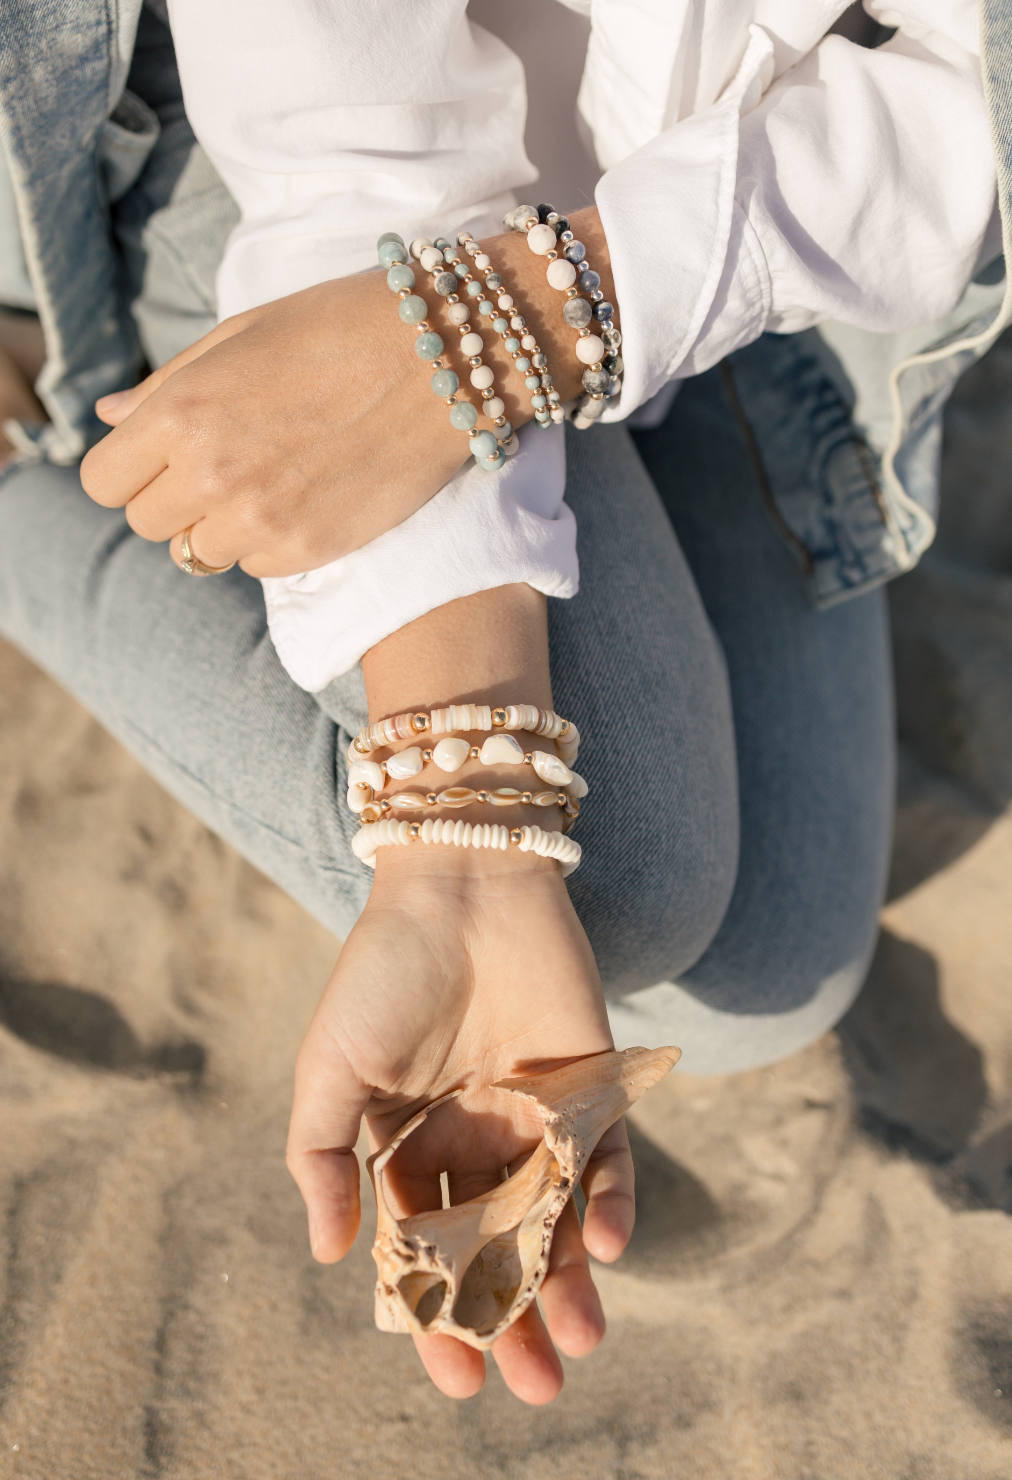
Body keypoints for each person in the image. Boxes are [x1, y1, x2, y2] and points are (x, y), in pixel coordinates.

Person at [0, 0, 1008, 1405]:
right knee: (628, 885)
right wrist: (465, 846)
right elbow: (337, 107)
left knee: (766, 972)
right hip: (281, 131)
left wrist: (546, 316)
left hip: (746, 141)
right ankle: (20, 464)